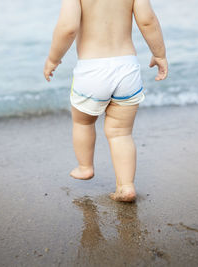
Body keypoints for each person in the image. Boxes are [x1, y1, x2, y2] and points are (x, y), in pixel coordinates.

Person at [43, 0, 168, 202]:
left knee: (83, 122)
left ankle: (85, 167)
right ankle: (126, 186)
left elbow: (68, 28)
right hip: (127, 68)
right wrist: (159, 54)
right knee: (121, 133)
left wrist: (53, 59)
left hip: (92, 70)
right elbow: (147, 21)